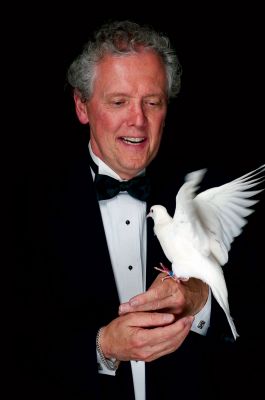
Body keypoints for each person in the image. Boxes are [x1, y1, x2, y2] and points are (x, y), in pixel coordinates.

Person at [14, 20, 235, 400]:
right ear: (82, 106)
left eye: (152, 102)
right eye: (118, 102)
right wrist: (103, 348)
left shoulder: (207, 182)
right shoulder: (27, 205)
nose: (138, 120)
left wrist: (198, 298)